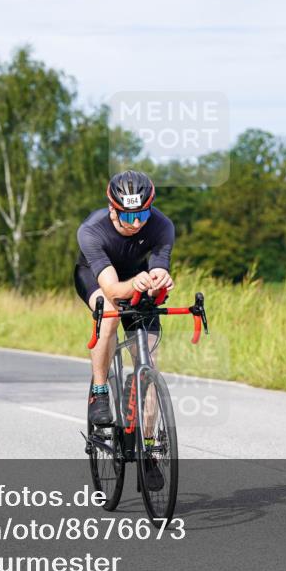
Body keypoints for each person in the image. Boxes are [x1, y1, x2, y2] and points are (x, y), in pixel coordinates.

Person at [74, 170, 175, 489]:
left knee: (149, 364)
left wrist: (160, 280)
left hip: (138, 278)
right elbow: (113, 288)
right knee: (110, 315)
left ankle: (149, 450)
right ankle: (100, 390)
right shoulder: (91, 230)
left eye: (143, 214)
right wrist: (136, 284)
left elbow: (158, 266)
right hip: (98, 279)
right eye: (129, 216)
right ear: (112, 209)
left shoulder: (162, 225)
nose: (136, 223)